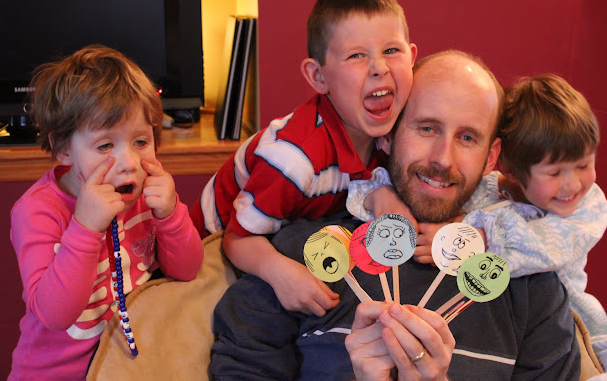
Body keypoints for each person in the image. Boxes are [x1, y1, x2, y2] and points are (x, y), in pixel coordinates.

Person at [210, 50, 580, 379]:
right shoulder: (303, 258)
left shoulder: (532, 288)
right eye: (427, 128)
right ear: (387, 135)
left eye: (467, 138)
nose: (443, 159)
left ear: (491, 157)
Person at [350, 73, 607, 375]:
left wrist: (472, 238)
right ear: (509, 169)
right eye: (554, 173)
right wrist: (379, 196)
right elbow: (367, 187)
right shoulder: (487, 190)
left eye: (584, 165)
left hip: (579, 318)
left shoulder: (589, 206)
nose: (573, 184)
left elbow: (544, 247)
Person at [190, 0, 417, 316]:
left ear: (412, 58)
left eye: (391, 51)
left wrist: (378, 191)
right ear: (318, 77)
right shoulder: (293, 160)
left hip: (296, 233)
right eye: (356, 55)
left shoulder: (396, 130)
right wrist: (281, 274)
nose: (379, 68)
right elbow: (236, 240)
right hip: (214, 256)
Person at [8, 45, 204, 379]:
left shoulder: (147, 190)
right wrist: (85, 228)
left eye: (141, 142)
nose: (129, 163)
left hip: (131, 368)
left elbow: (187, 270)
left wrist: (171, 215)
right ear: (63, 148)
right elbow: (55, 315)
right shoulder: (38, 210)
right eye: (104, 146)